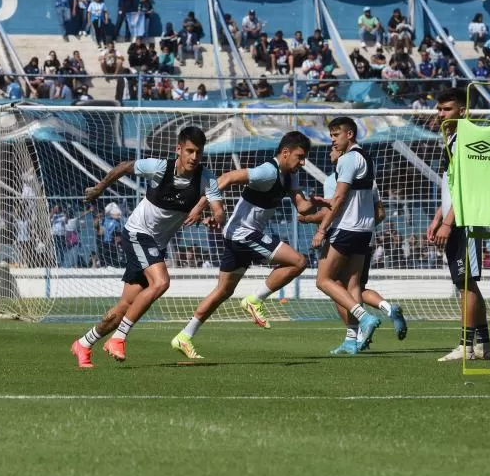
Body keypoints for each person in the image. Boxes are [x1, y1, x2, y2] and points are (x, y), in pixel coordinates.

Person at [70, 127, 225, 368]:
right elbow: (123, 166)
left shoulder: (207, 177)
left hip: (156, 244)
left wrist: (216, 217)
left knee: (124, 307)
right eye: (190, 151)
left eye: (199, 152)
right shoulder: (160, 167)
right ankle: (118, 339)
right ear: (179, 150)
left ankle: (83, 343)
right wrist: (100, 188)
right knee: (161, 282)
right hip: (137, 233)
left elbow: (218, 209)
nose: (194, 157)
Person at [169, 132, 315, 359]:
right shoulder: (267, 171)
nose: (303, 162)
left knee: (223, 291)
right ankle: (255, 300)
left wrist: (329, 203)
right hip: (243, 235)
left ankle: (184, 336)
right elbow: (225, 178)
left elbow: (303, 209)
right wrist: (200, 207)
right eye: (300, 156)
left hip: (239, 235)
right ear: (285, 153)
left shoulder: (290, 176)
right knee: (299, 261)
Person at [300, 145, 407, 349]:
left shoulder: (335, 179)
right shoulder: (369, 178)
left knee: (329, 283)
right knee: (355, 286)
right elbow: (380, 213)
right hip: (366, 235)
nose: (330, 151)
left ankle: (360, 327)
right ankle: (376, 318)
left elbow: (336, 208)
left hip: (342, 233)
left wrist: (311, 220)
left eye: (333, 146)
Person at [427, 89, 490, 361]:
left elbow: (468, 187)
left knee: (466, 283)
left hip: (465, 221)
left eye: (446, 109)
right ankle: (484, 345)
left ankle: (466, 346)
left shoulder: (466, 139)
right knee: (466, 283)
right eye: (439, 109)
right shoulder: (452, 139)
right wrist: (437, 218)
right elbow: (451, 185)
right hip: (454, 219)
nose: (440, 114)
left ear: (462, 110)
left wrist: (448, 222)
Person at [310, 117, 383, 354]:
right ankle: (352, 340)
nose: (332, 140)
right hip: (364, 230)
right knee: (353, 284)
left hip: (346, 228)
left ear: (349, 134)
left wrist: (322, 230)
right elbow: (351, 197)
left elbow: (340, 199)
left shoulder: (348, 159)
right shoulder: (365, 157)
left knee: (323, 280)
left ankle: (364, 318)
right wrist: (325, 201)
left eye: (335, 135)